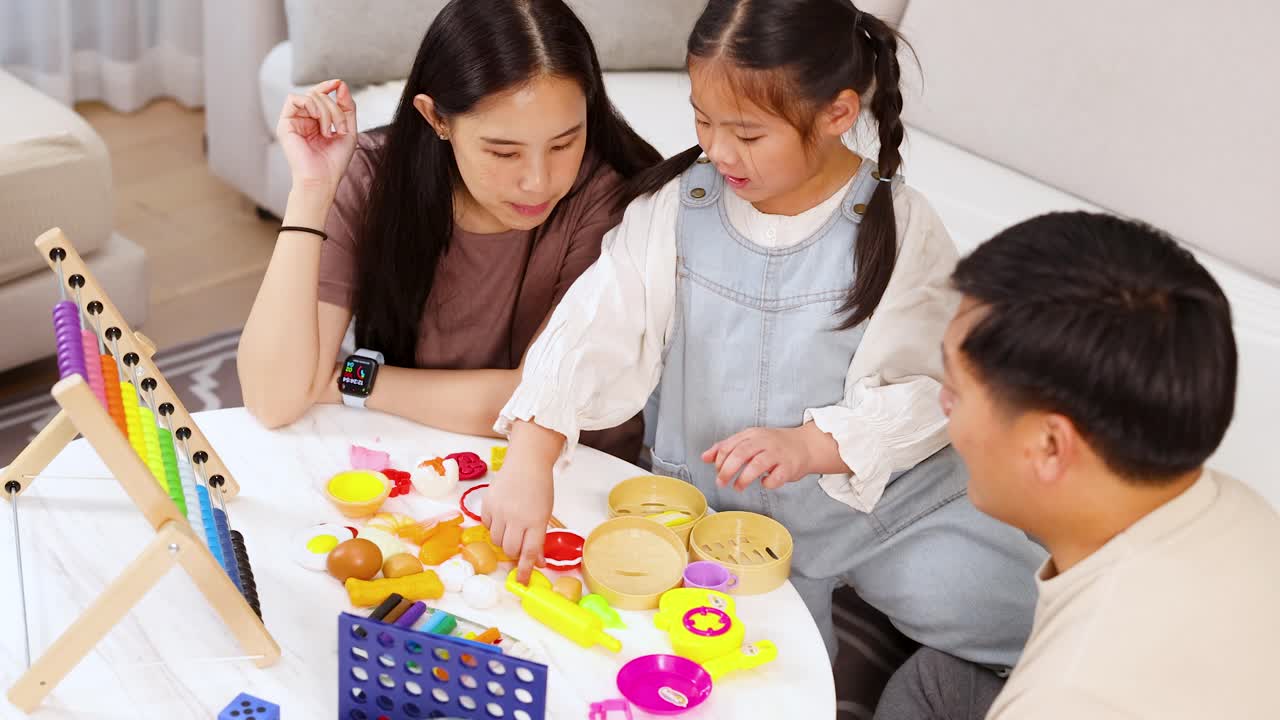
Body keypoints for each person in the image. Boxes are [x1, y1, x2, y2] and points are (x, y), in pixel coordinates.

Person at [484, 0, 1044, 676]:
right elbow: (595, 327)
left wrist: (813, 446)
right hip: (713, 518)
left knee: (1032, 625)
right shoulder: (679, 207)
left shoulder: (897, 226)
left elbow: (930, 388)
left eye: (747, 134)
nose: (718, 151)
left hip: (874, 513)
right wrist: (530, 455)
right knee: (755, 671)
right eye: (702, 120)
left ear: (837, 115)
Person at [876, 211, 1280, 719]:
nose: (943, 405)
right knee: (937, 678)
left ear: (1050, 445)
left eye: (955, 389)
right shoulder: (1241, 510)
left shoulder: (1070, 691)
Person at [237, 0, 661, 461]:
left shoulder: (611, 199)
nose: (538, 181)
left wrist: (351, 380)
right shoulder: (371, 178)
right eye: (504, 152)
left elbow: (533, 403)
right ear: (436, 118)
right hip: (420, 458)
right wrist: (312, 191)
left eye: (564, 142)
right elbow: (272, 398)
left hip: (576, 476)